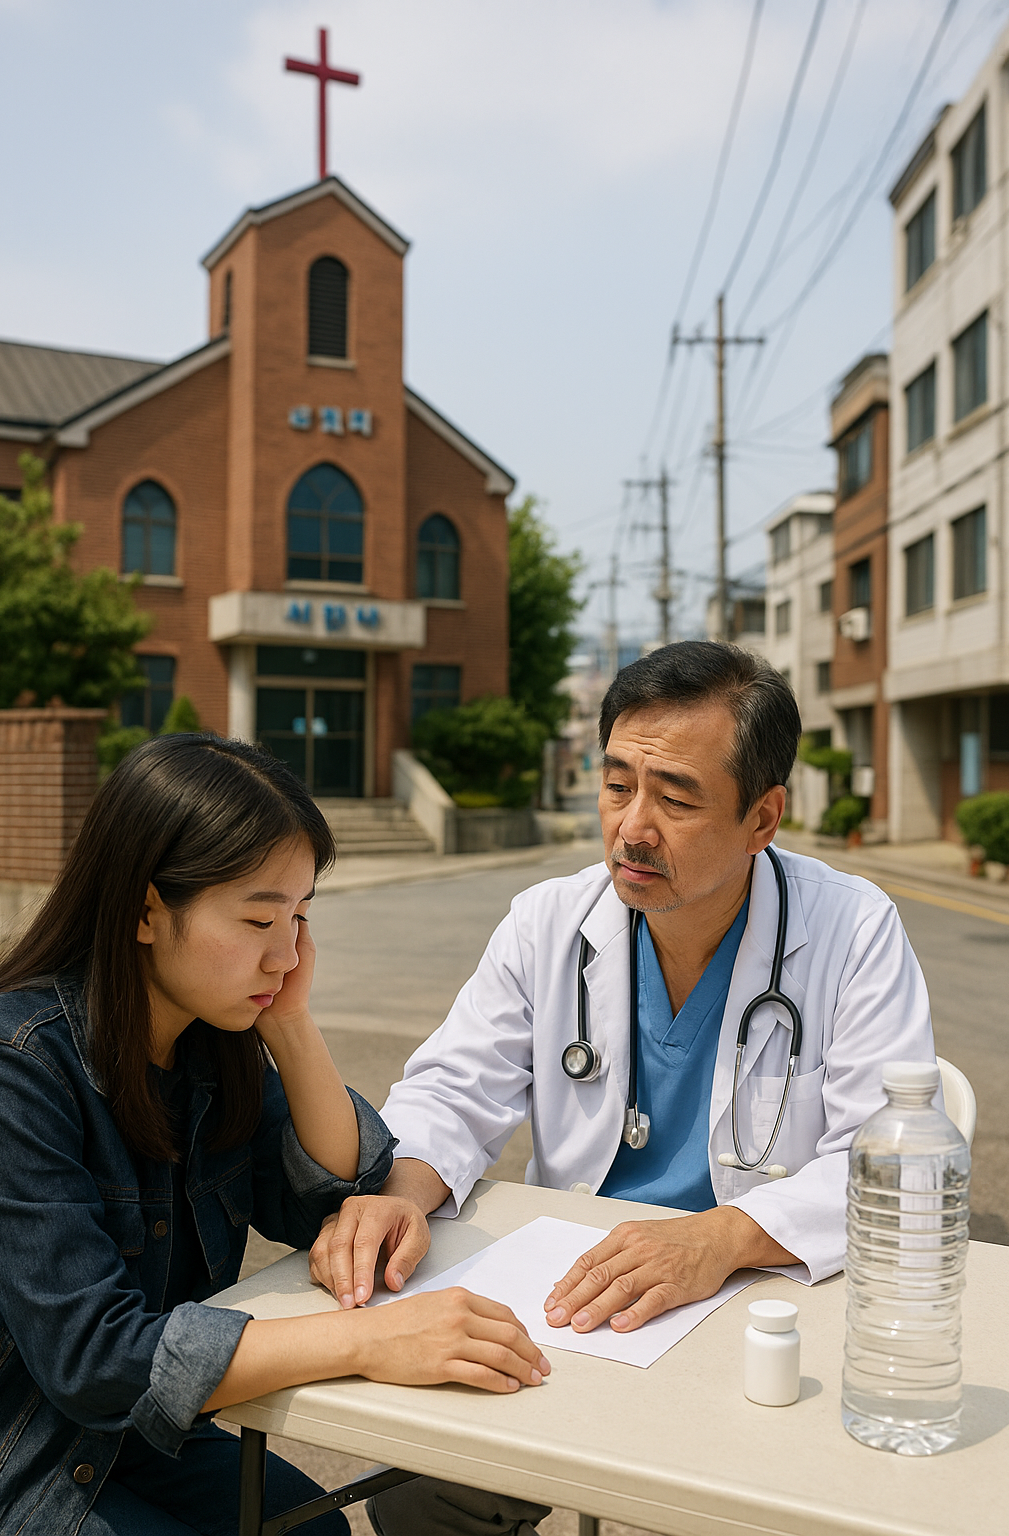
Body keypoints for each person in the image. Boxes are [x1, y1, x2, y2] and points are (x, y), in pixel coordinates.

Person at [308, 642, 938, 1536]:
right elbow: (454, 1085)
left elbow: (890, 1162)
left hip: (760, 1296)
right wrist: (402, 1193)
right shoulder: (549, 922)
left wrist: (716, 1241)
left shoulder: (852, 929)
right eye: (616, 786)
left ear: (764, 818)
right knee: (422, 1495)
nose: (633, 827)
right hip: (578, 1301)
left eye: (676, 798)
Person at [0, 735, 548, 1536]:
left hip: (141, 1444)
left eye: (299, 916)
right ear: (145, 911)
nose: (286, 953)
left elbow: (330, 1196)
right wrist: (365, 1339)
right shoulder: (21, 1070)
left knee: (313, 1529)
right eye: (259, 917)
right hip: (26, 1458)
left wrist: (290, 1024)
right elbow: (96, 1360)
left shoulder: (206, 1046)